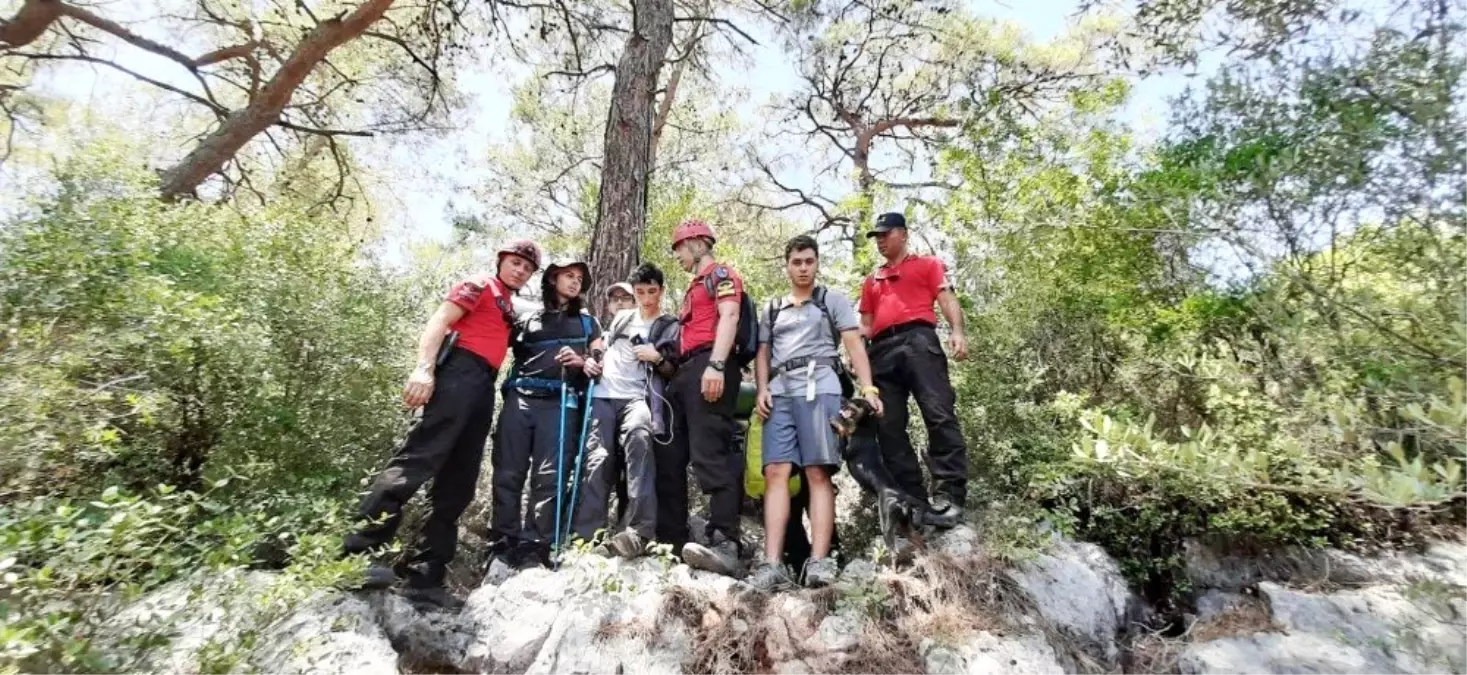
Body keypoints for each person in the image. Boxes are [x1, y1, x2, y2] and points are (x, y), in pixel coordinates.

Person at [342, 238, 541, 609]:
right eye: (516, 263)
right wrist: (424, 369)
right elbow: (441, 319)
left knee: (459, 480)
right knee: (417, 460)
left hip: (485, 384)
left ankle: (426, 574)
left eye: (527, 268)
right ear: (502, 261)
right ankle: (357, 555)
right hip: (457, 373)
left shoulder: (509, 304)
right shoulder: (479, 285)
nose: (521, 270)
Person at [749, 235, 883, 591]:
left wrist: (868, 389)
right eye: (797, 262)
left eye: (809, 261)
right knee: (776, 471)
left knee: (817, 472)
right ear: (787, 265)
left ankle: (820, 562)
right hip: (780, 392)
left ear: (817, 262)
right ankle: (772, 564)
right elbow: (763, 352)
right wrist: (762, 388)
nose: (803, 268)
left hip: (820, 387)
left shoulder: (831, 301)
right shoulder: (773, 307)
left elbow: (853, 343)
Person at [488, 258, 604, 569]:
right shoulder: (524, 317)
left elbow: (599, 358)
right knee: (507, 472)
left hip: (560, 403)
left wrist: (582, 361)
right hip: (520, 398)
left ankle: (534, 547)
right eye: (569, 275)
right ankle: (502, 541)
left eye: (579, 277)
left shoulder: (588, 322)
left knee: (550, 477)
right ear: (552, 279)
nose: (575, 281)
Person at [860, 212, 970, 527]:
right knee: (888, 427)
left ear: (903, 234)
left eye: (885, 234)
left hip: (919, 341)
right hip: (880, 351)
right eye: (876, 236)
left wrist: (957, 332)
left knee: (939, 413)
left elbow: (946, 298)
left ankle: (949, 496)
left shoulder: (928, 265)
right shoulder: (872, 280)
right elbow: (865, 325)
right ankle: (914, 501)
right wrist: (854, 355)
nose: (880, 240)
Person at [656, 219, 747, 576]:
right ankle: (671, 540)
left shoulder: (721, 274)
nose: (677, 255)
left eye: (679, 247)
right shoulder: (693, 285)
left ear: (695, 242)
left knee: (711, 454)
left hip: (710, 366)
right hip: (683, 374)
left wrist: (718, 365)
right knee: (670, 456)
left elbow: (730, 315)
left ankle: (726, 540)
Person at [573, 264, 680, 558]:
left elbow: (672, 370)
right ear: (634, 293)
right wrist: (591, 362)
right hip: (604, 394)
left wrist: (657, 358)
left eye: (652, 291)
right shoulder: (621, 318)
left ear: (661, 290)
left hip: (637, 398)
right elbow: (602, 351)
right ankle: (585, 539)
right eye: (641, 292)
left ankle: (639, 532)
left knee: (640, 443)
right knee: (597, 459)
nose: (647, 298)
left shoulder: (669, 325)